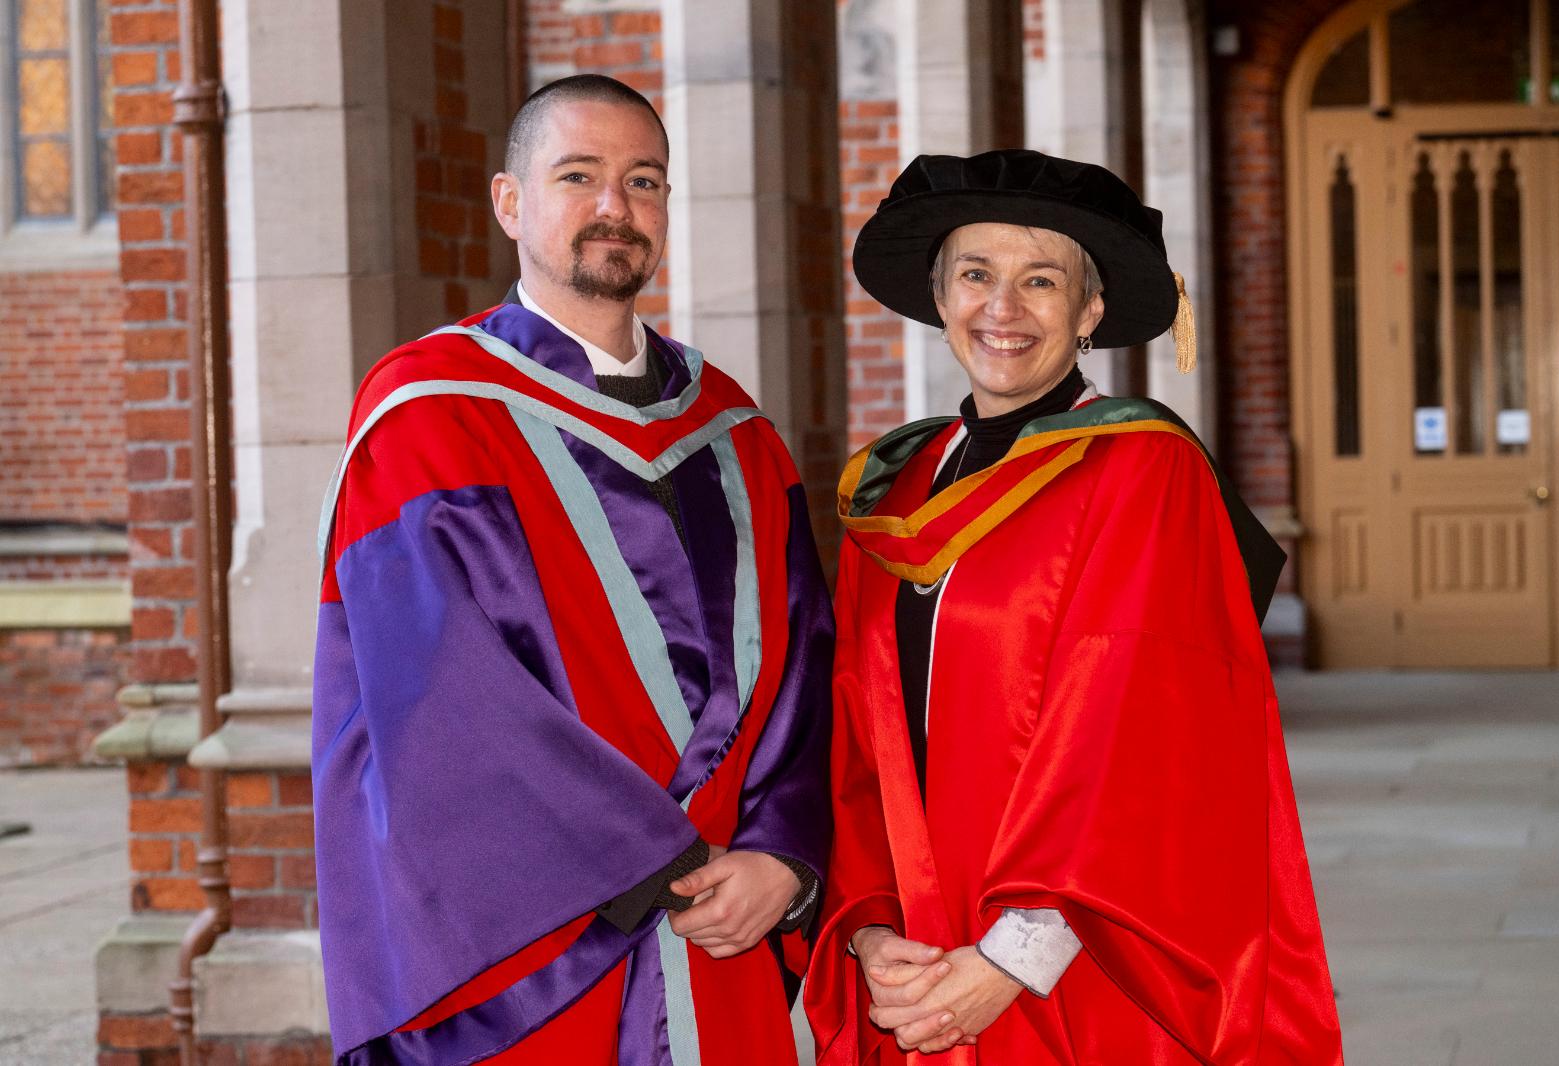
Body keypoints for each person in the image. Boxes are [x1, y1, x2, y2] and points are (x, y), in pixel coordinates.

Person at [311, 75, 832, 1066]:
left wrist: (784, 853)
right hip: (539, 953)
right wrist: (665, 862)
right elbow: (442, 704)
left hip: (728, 926)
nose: (614, 207)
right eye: (578, 175)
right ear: (511, 203)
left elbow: (806, 666)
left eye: (643, 181)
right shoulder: (430, 415)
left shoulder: (736, 430)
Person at [805, 149, 1343, 1064]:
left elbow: (1148, 736)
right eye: (975, 274)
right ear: (940, 297)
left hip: (1082, 962)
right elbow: (856, 733)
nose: (1001, 308)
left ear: (1089, 312)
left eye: (1040, 280)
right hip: (919, 963)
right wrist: (868, 927)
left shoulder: (1143, 471)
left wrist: (1011, 959)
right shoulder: (896, 493)